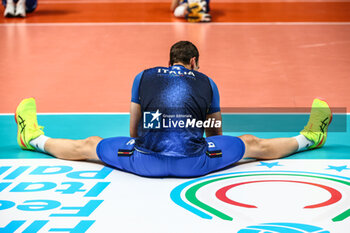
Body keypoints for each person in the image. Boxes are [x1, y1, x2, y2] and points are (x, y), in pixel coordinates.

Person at [14, 41, 332, 178]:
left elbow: (134, 132)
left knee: (89, 145)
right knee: (251, 143)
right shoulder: (207, 80)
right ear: (194, 62)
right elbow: (215, 135)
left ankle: (32, 138)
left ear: (168, 60)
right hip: (194, 163)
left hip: (144, 162)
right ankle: (310, 138)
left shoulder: (143, 75)